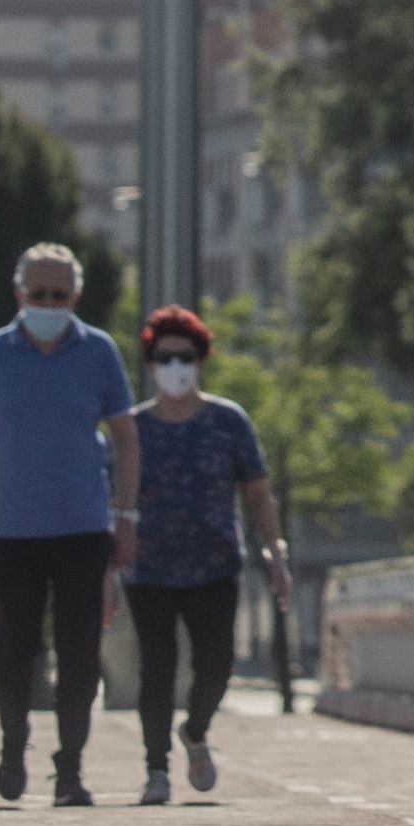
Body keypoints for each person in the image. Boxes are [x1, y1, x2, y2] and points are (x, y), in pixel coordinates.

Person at [0, 242, 137, 808]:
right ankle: (12, 742)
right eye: (39, 294)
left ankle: (70, 768)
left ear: (76, 296)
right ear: (19, 294)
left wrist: (127, 518)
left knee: (80, 652)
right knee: (15, 648)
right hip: (13, 530)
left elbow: (125, 439)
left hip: (83, 528)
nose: (49, 304)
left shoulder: (99, 352)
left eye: (60, 295)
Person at [123, 305, 287, 801]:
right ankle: (156, 769)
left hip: (215, 564)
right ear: (151, 363)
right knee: (157, 668)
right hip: (148, 568)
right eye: (165, 357)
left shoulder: (227, 421)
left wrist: (275, 552)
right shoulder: (131, 429)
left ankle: (195, 730)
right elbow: (113, 501)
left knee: (216, 664)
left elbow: (257, 492)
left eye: (185, 356)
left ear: (201, 360)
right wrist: (108, 564)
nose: (175, 366)